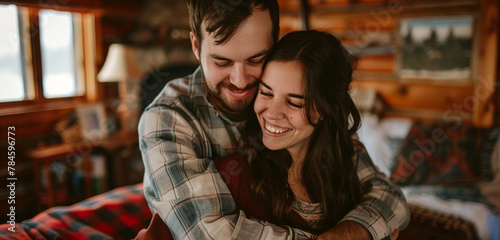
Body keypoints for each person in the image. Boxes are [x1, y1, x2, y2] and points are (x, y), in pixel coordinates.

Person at [138, 0, 409, 239]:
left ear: (274, 40)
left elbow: (387, 196)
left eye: (256, 59)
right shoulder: (167, 118)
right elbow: (208, 232)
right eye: (222, 62)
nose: (241, 81)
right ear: (196, 46)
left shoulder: (307, 98)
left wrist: (356, 230)